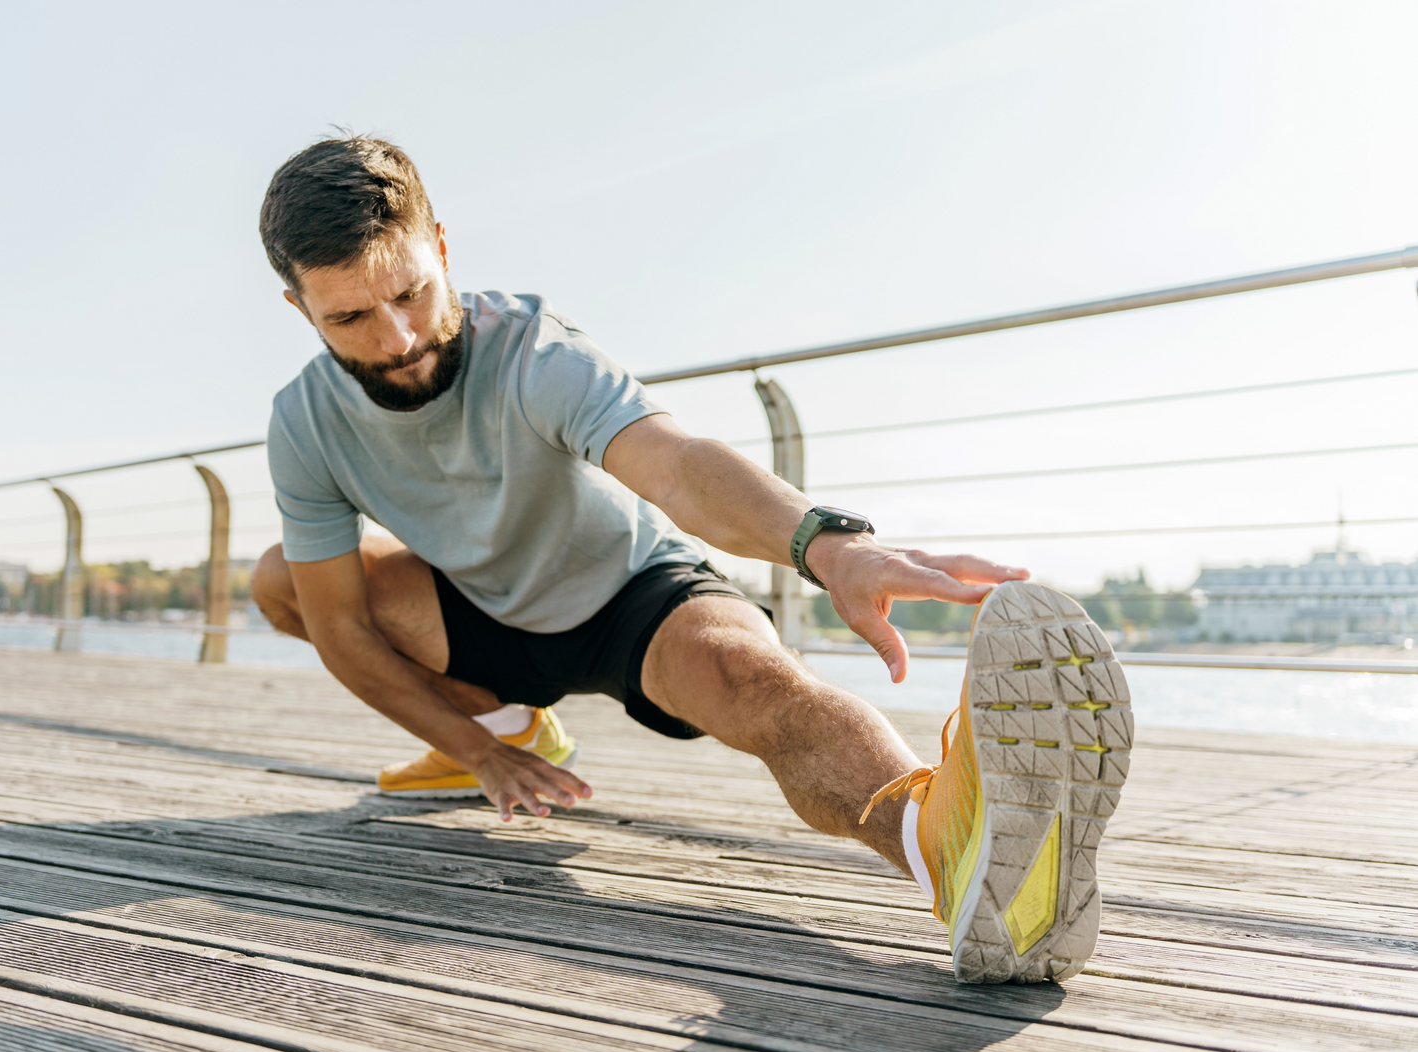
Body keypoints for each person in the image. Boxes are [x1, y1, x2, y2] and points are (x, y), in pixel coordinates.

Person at [251, 136, 1133, 984]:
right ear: (298, 308)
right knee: (282, 580)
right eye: (351, 317)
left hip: (633, 597)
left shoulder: (533, 353)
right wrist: (476, 754)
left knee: (752, 680)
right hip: (482, 615)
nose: (397, 338)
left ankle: (957, 850)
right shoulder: (304, 423)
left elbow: (674, 464)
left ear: (440, 246)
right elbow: (338, 627)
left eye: (411, 292)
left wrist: (829, 546)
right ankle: (511, 724)